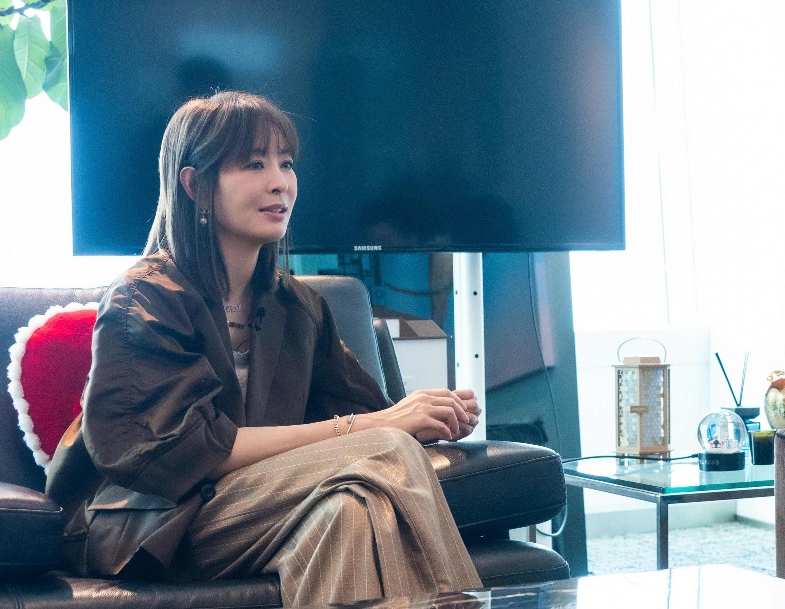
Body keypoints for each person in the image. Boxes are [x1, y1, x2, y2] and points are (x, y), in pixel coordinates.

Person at [44, 91, 483, 606]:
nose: (281, 182)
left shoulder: (298, 306)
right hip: (156, 521)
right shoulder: (144, 298)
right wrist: (382, 427)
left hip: (259, 511)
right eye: (255, 164)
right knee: (386, 449)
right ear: (195, 185)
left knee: (349, 511)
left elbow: (361, 414)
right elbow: (183, 451)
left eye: (286, 163)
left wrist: (428, 417)